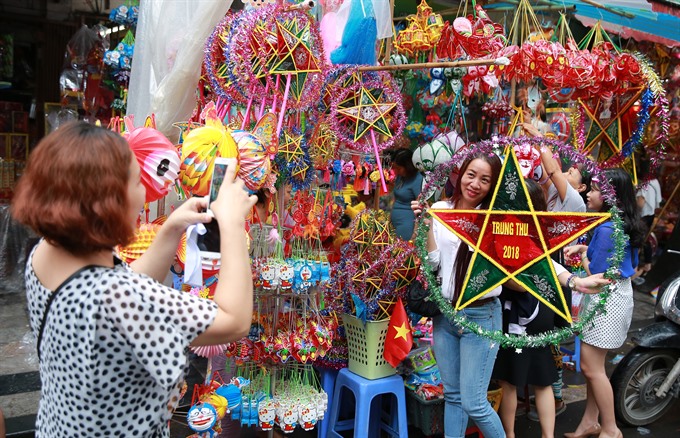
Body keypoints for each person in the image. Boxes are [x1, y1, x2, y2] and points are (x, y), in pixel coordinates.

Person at [10, 122, 257, 437]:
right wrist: (233, 224)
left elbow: (123, 284)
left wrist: (172, 228)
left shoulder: (45, 252)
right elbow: (233, 321)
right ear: (109, 202)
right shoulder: (120, 296)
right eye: (137, 181)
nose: (144, 192)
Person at [493, 180, 610, 438]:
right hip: (542, 310)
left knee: (510, 380)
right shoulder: (545, 230)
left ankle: (510, 434)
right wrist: (575, 282)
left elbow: (520, 284)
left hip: (519, 314)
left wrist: (574, 281)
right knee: (542, 379)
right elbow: (554, 268)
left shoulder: (505, 231)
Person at [412, 151, 505, 437]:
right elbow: (432, 264)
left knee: (475, 403)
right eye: (471, 175)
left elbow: (527, 260)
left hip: (482, 316)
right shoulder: (441, 208)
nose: (475, 184)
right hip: (445, 314)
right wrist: (425, 225)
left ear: (493, 185)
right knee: (452, 396)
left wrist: (571, 281)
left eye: (485, 180)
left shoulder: (498, 220)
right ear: (461, 174)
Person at [564, 168, 646, 438]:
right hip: (618, 296)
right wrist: (586, 249)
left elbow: (595, 275)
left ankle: (611, 429)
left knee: (591, 368)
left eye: (596, 189)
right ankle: (590, 422)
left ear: (611, 197)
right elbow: (627, 265)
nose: (589, 193)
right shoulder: (624, 224)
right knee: (596, 368)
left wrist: (582, 257)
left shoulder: (608, 228)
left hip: (604, 300)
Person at [390, 148, 423, 240]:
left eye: (398, 168)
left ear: (408, 166)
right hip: (395, 222)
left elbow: (420, 207)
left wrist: (415, 231)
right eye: (394, 167)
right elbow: (395, 199)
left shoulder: (417, 179)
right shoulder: (400, 177)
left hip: (407, 224)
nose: (396, 171)